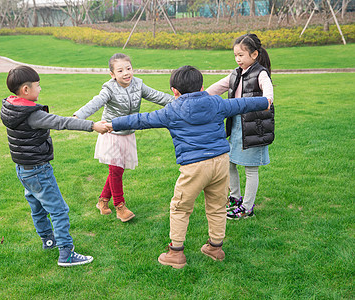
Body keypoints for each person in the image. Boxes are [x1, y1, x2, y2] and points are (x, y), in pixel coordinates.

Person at [105, 65, 271, 268]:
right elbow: (241, 104)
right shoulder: (216, 103)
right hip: (220, 163)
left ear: (174, 91)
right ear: (202, 87)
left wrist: (113, 124)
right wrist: (265, 101)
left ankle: (175, 253)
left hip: (194, 167)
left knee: (180, 207)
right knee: (217, 206)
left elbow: (141, 120)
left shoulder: (171, 110)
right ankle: (215, 248)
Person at [0, 65, 108, 267]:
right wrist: (93, 126)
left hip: (23, 169)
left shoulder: (10, 107)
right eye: (38, 86)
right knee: (59, 210)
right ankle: (66, 254)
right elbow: (60, 122)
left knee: (38, 207)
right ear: (25, 90)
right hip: (38, 170)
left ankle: (48, 241)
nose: (40, 89)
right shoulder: (31, 115)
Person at [73, 53, 174, 222]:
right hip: (111, 133)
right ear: (112, 75)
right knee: (116, 170)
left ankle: (103, 200)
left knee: (118, 169)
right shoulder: (109, 89)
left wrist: (180, 101)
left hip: (128, 132)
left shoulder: (138, 84)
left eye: (128, 68)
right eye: (120, 70)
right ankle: (120, 206)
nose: (126, 73)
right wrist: (77, 117)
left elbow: (158, 96)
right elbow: (95, 102)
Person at [206, 33, 274, 220]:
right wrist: (198, 97)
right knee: (230, 162)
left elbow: (268, 89)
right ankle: (235, 198)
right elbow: (216, 88)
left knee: (251, 169)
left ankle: (247, 207)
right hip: (236, 126)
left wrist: (267, 99)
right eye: (235, 55)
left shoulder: (260, 73)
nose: (237, 59)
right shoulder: (235, 74)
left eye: (241, 55)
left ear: (254, 54)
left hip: (255, 127)